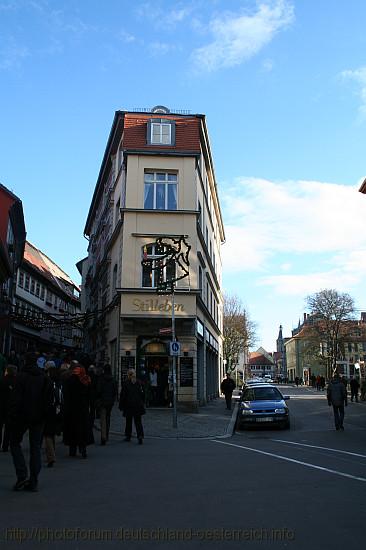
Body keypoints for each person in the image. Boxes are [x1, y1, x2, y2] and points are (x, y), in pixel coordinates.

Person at [8, 352, 53, 492]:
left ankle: (21, 474)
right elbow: (48, 400)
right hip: (38, 418)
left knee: (14, 443)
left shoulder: (20, 377)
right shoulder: (44, 378)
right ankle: (33, 480)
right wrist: (45, 416)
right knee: (35, 448)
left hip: (22, 417)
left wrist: (13, 416)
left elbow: (15, 399)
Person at [62, 361, 93, 458]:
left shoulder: (69, 380)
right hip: (82, 408)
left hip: (71, 408)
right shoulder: (85, 381)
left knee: (72, 429)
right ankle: (83, 449)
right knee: (82, 430)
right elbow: (89, 395)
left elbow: (65, 394)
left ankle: (72, 449)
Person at [43, 362, 63, 467]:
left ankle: (50, 456)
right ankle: (52, 451)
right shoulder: (59, 380)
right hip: (57, 408)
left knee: (47, 433)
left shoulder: (47, 380)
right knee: (52, 431)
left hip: (49, 409)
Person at [119, 369, 145, 444]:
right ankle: (140, 435)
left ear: (128, 375)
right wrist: (142, 402)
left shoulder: (126, 383)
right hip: (138, 405)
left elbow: (123, 396)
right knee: (138, 421)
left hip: (129, 405)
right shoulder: (139, 383)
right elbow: (143, 394)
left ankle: (128, 436)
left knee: (128, 421)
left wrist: (121, 405)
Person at [96, 365, 118, 445]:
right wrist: (112, 399)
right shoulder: (113, 380)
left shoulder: (101, 379)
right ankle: (106, 434)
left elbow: (98, 390)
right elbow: (115, 391)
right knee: (108, 418)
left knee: (103, 419)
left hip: (102, 401)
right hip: (110, 402)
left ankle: (103, 436)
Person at [0, 365, 17, 452]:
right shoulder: (16, 381)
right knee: (8, 427)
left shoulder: (2, 380)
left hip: (1, 405)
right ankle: (5, 445)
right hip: (11, 407)